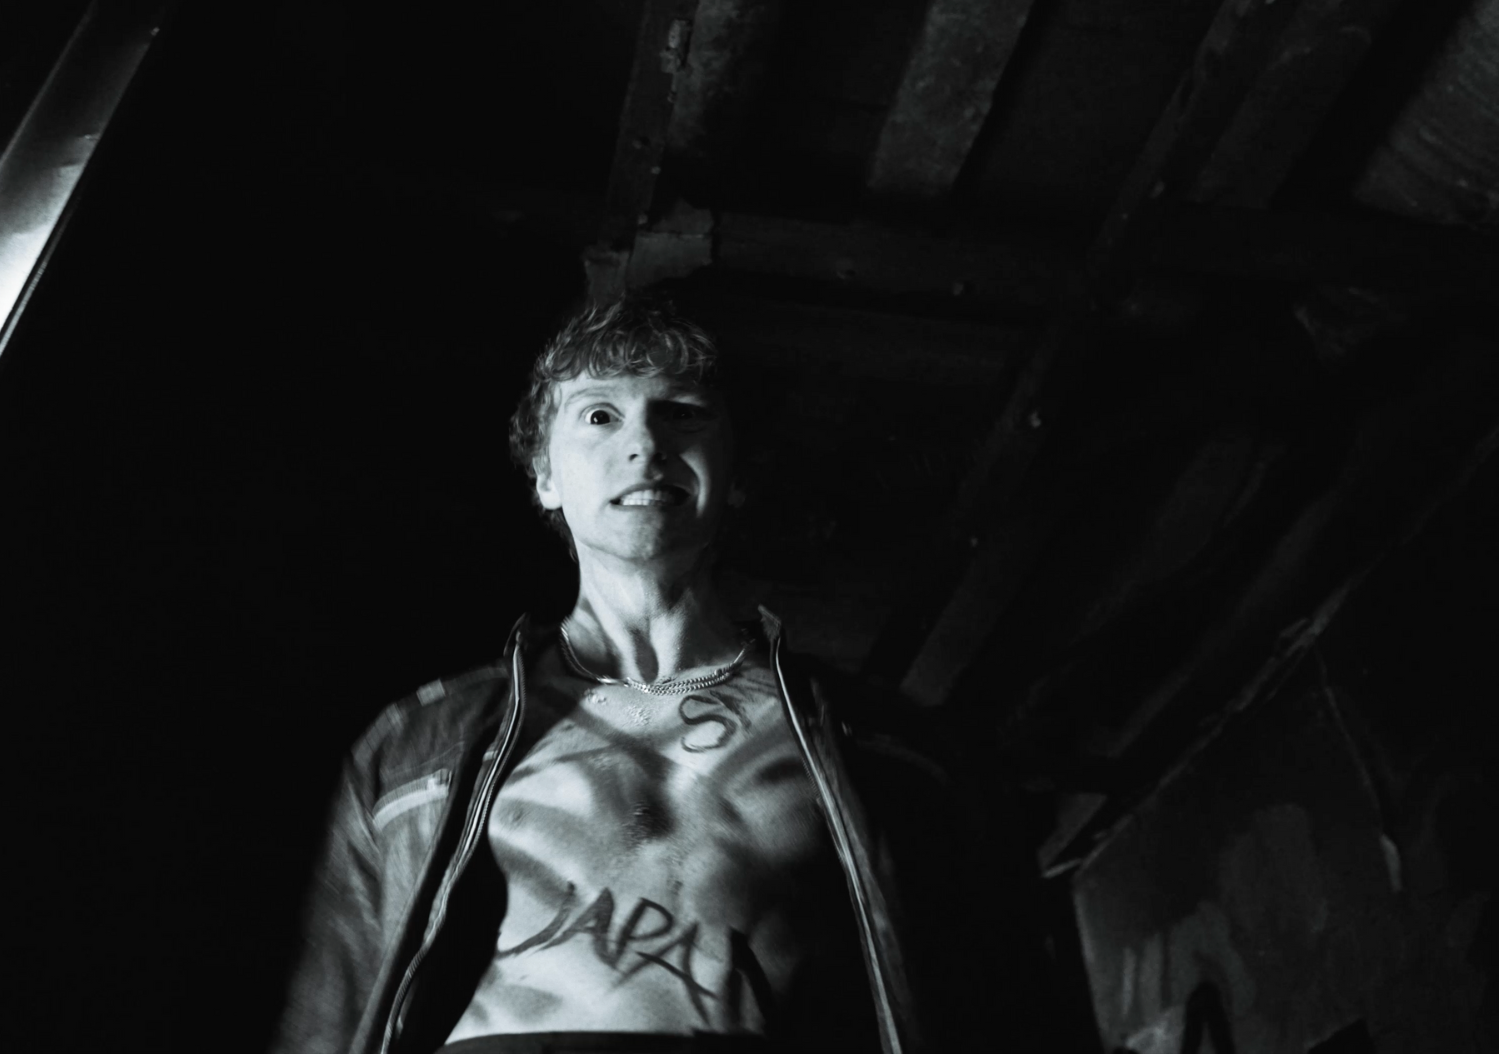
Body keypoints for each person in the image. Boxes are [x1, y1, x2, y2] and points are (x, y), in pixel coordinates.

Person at [274, 299, 1057, 1054]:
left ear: (735, 471)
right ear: (545, 477)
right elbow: (328, 1016)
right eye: (600, 416)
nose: (644, 444)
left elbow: (993, 1005)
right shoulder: (414, 743)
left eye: (682, 412)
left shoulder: (885, 747)